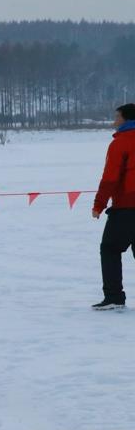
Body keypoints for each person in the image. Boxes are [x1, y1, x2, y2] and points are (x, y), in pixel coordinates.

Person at [92, 103, 135, 310]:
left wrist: (99, 204)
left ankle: (114, 298)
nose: (114, 121)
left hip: (127, 207)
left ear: (126, 120)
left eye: (116, 117)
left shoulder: (120, 143)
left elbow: (110, 178)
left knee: (109, 249)